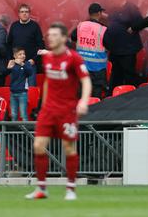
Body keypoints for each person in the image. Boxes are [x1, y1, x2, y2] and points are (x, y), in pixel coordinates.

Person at [26, 23, 91, 201]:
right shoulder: (47, 58)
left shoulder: (74, 58)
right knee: (38, 146)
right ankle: (41, 189)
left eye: (54, 35)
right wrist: (44, 104)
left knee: (69, 148)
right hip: (48, 110)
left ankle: (70, 188)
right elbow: (47, 82)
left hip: (67, 111)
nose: (50, 38)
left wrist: (83, 101)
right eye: (49, 35)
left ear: (63, 38)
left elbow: (86, 81)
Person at [72, 3, 111, 98]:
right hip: (97, 69)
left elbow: (73, 37)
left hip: (83, 66)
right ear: (99, 13)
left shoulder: (81, 25)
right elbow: (110, 45)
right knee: (96, 96)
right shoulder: (103, 29)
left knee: (81, 94)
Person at [7, 48, 36, 121]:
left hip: (23, 93)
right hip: (13, 93)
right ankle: (14, 131)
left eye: (24, 54)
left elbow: (30, 72)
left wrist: (22, 64)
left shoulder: (26, 64)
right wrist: (8, 68)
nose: (23, 56)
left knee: (23, 114)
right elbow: (6, 73)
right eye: (20, 54)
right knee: (13, 114)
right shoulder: (13, 64)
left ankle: (25, 132)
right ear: (15, 56)